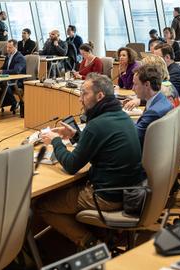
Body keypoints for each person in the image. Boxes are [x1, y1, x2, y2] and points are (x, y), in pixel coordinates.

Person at [37, 73, 145, 249]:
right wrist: (76, 136)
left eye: (84, 94)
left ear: (100, 96)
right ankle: (100, 234)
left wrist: (55, 141)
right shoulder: (122, 117)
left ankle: (91, 243)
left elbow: (72, 166)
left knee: (42, 205)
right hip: (129, 191)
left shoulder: (97, 124)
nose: (80, 99)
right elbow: (101, 143)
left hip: (107, 196)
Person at [133, 64, 173, 146]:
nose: (133, 88)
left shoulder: (154, 112)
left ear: (147, 84)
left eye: (135, 84)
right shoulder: (161, 99)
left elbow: (133, 137)